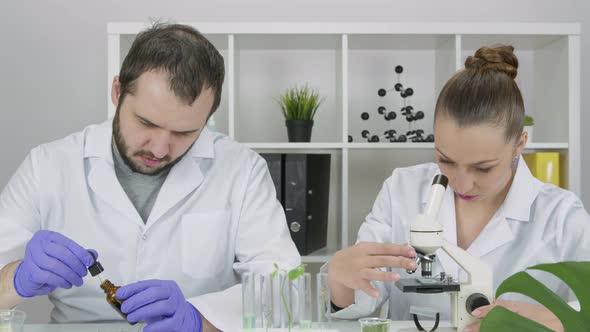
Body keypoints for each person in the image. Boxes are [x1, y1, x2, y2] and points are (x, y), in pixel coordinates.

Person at [0, 23, 300, 331]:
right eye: (146, 123)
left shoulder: (242, 170)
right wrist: (17, 278)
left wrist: (200, 319)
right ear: (118, 92)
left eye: (184, 132)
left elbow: (285, 289)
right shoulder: (48, 166)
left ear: (207, 119)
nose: (159, 149)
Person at [327, 45, 590, 332]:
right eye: (446, 160)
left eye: (483, 167)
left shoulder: (561, 215)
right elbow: (359, 305)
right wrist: (341, 279)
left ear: (520, 144)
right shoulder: (402, 189)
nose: (461, 183)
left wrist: (560, 320)